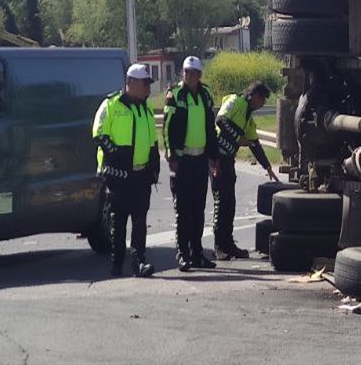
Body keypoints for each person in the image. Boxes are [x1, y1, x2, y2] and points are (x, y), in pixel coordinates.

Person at [92, 64, 159, 278]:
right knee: (118, 221)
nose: (148, 88)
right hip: (117, 175)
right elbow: (99, 133)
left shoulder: (146, 108)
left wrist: (154, 166)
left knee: (140, 221)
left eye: (149, 84)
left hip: (140, 175)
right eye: (145, 84)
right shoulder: (111, 105)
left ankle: (139, 262)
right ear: (130, 83)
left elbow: (152, 141)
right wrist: (116, 155)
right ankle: (116, 262)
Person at [212, 82, 280, 259]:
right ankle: (219, 246)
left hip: (228, 161)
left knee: (230, 204)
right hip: (217, 159)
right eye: (262, 100)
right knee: (221, 203)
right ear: (254, 96)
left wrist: (267, 166)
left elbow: (254, 143)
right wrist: (237, 137)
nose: (263, 104)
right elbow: (220, 119)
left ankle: (228, 243)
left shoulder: (249, 118)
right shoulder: (235, 102)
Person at [164, 56, 220, 272]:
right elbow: (168, 128)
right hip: (183, 160)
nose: (190, 76)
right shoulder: (175, 95)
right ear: (183, 74)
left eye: (194, 73)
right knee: (183, 210)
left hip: (200, 161)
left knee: (198, 210)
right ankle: (183, 254)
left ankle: (198, 254)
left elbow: (210, 128)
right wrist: (172, 156)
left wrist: (214, 157)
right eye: (187, 72)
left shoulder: (205, 95)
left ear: (199, 75)